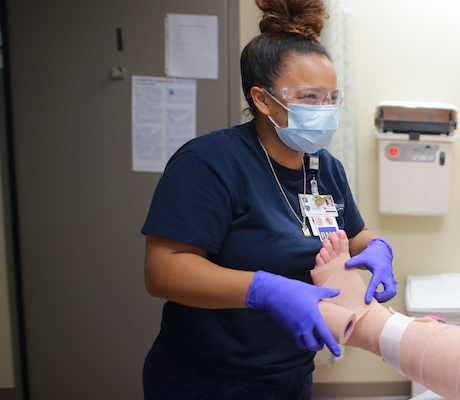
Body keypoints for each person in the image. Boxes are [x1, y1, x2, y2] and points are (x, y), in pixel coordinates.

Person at [140, 0, 397, 398]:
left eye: (331, 98)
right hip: (208, 379)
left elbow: (356, 232)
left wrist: (378, 247)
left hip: (289, 375)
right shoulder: (210, 162)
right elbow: (163, 270)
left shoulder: (324, 167)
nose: (324, 110)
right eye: (309, 97)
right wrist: (263, 289)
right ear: (262, 99)